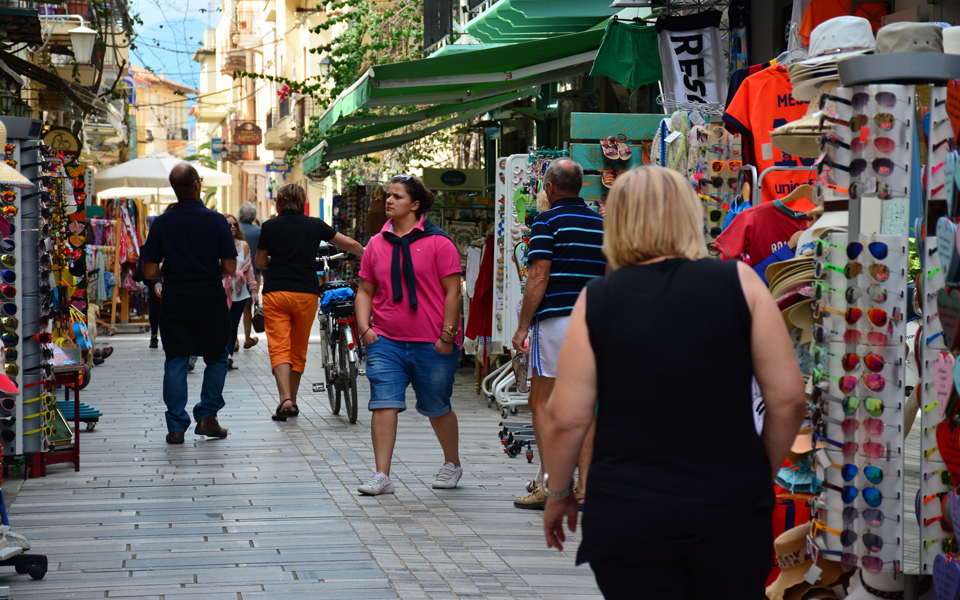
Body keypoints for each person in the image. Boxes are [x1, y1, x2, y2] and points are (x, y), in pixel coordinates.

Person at [539, 167, 806, 599]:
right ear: (688, 215)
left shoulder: (599, 299)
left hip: (629, 514)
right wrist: (759, 474)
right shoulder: (740, 284)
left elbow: (566, 418)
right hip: (730, 510)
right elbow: (790, 399)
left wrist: (559, 492)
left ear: (617, 221)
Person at [354, 174, 463, 496]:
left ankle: (452, 463)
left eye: (397, 196)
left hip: (433, 342)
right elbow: (365, 290)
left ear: (415, 205)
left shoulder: (439, 242)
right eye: (388, 195)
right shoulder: (376, 244)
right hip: (385, 340)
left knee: (437, 405)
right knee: (383, 403)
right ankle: (382, 474)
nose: (389, 201)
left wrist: (447, 336)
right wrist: (365, 329)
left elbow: (453, 292)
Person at [511, 158, 605, 510]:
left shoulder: (546, 221)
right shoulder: (602, 224)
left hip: (556, 322)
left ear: (549, 188)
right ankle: (585, 487)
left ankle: (550, 486)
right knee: (586, 405)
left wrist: (523, 326)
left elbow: (539, 276)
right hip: (594, 322)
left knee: (543, 401)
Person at [141, 164, 237, 444]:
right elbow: (230, 267)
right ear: (196, 185)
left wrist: (174, 269)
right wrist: (204, 267)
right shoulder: (217, 221)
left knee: (176, 359)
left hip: (175, 299)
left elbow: (149, 271)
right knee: (217, 357)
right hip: (210, 298)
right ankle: (207, 416)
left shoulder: (161, 223)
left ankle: (175, 427)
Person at [255, 184, 363, 420]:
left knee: (279, 347)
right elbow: (347, 244)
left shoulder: (270, 226)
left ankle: (284, 399)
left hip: (276, 293)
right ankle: (292, 401)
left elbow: (260, 262)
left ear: (281, 202)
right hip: (305, 293)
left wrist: (277, 260)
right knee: (298, 348)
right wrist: (368, 254)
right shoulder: (315, 224)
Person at [223, 213, 259, 370]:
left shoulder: (244, 245)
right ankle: (224, 355)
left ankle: (229, 355)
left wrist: (254, 290)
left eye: (234, 224)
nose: (232, 227)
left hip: (240, 292)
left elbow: (249, 269)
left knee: (234, 325)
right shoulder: (218, 244)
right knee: (225, 324)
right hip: (223, 291)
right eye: (229, 224)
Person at [237, 202, 261, 350]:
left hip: (233, 275)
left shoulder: (233, 228)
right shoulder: (258, 231)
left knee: (232, 309)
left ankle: (234, 341)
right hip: (251, 275)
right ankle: (247, 338)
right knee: (247, 308)